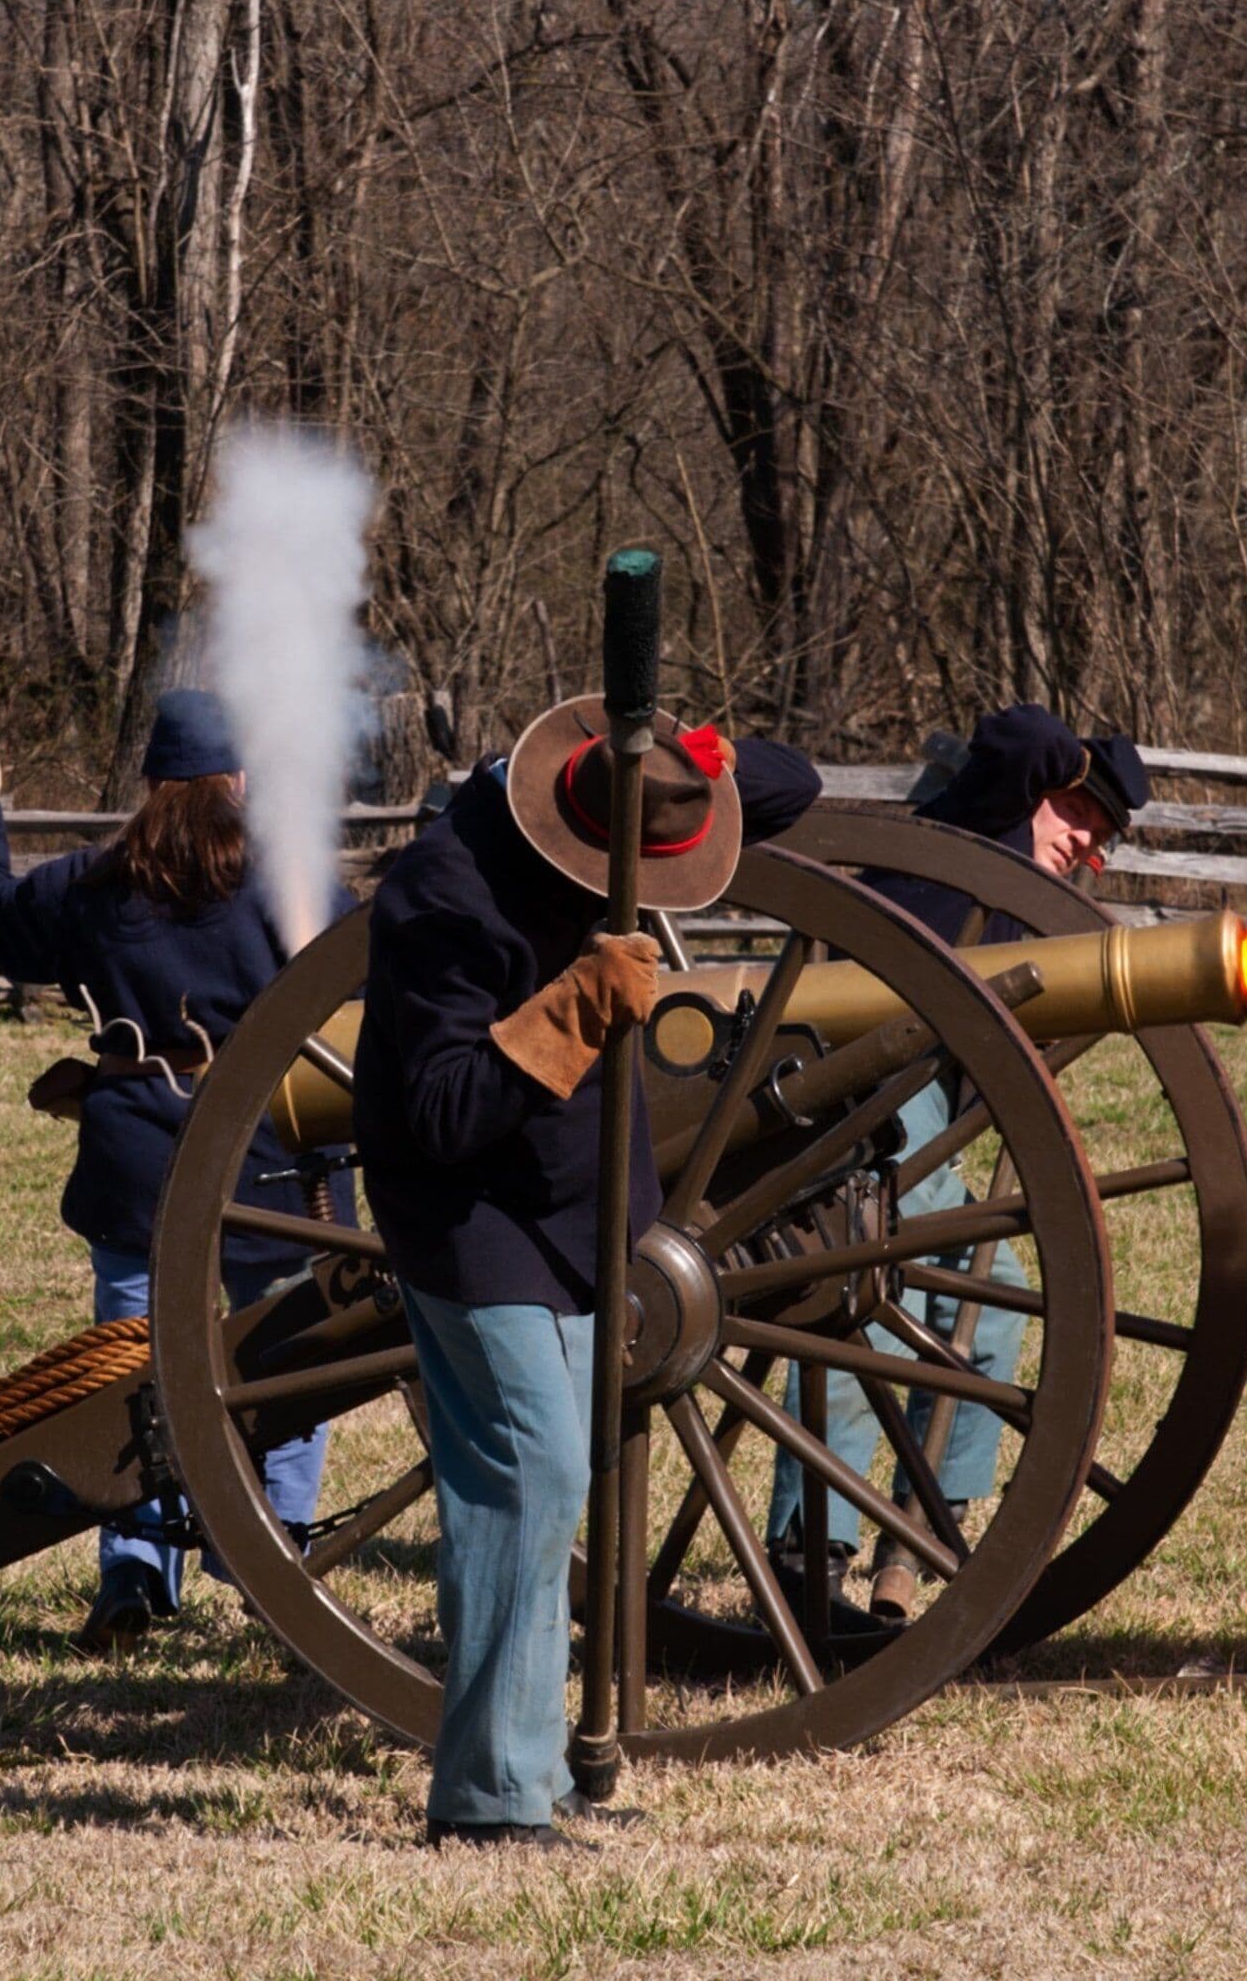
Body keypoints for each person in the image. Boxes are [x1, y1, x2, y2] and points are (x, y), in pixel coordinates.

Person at [357, 698, 818, 1847]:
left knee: (541, 1488)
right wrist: (567, 1013)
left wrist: (676, 762)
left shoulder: (624, 800)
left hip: (583, 1216)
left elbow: (793, 783)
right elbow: (441, 1109)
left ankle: (529, 1767)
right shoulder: (445, 893)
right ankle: (488, 1803)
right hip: (472, 1218)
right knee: (530, 1473)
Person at [0, 689, 350, 1647]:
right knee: (289, 1364)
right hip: (275, 1160)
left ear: (153, 782)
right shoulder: (292, 879)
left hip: (142, 1163)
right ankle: (271, 1557)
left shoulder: (92, 883)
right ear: (237, 781)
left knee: (132, 1375)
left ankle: (133, 1571)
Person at [771, 703, 1148, 1620]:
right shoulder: (983, 816)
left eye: (1102, 836)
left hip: (915, 1099)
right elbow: (1015, 735)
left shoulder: (1032, 909)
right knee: (883, 1298)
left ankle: (919, 1539)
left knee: (984, 1312)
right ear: (1045, 791)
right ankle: (810, 1552)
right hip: (853, 1068)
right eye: (1078, 813)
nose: (1084, 841)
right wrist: (1065, 765)